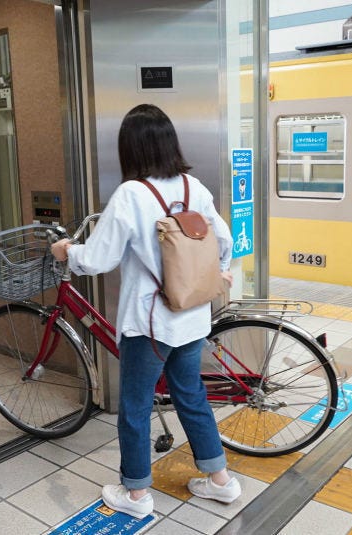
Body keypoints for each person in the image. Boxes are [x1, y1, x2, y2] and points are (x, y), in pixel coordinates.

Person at [51, 104, 241, 519]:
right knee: (191, 397)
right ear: (170, 142)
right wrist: (222, 272)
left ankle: (136, 494)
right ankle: (220, 481)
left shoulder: (132, 195)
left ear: (131, 149)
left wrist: (67, 252)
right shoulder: (194, 187)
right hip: (192, 315)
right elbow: (224, 238)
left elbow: (98, 259)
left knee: (135, 406)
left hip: (150, 324)